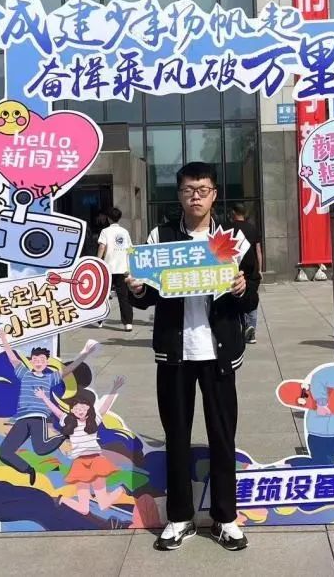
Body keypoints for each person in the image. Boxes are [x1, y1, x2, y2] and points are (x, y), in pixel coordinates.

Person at [126, 161, 259, 552]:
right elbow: (149, 295)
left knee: (222, 436)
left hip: (218, 352)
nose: (195, 196)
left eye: (203, 189)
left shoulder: (233, 239)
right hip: (175, 352)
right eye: (188, 190)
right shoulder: (162, 236)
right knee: (177, 436)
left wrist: (241, 288)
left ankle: (225, 518)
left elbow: (251, 294)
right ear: (179, 194)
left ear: (214, 194)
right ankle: (180, 517)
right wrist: (137, 288)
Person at [0, 327, 100, 484]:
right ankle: (28, 470)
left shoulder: (50, 378)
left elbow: (70, 368)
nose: (38, 362)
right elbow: (12, 358)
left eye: (42, 360)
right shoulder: (24, 373)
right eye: (36, 360)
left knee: (41, 449)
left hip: (38, 418)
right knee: (4, 452)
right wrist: (3, 338)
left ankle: (65, 433)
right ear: (31, 361)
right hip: (22, 419)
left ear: (46, 362)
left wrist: (84, 353)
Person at [35, 377, 127, 514]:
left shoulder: (94, 421)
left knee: (103, 505)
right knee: (84, 509)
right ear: (72, 410)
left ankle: (122, 489)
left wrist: (114, 389)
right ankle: (61, 499)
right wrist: (43, 397)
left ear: (89, 409)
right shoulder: (68, 422)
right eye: (77, 408)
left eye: (83, 408)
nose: (80, 410)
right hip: (80, 464)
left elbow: (105, 407)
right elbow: (56, 411)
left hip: (96, 461)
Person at [230, 204, 263, 345]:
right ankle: (251, 328)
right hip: (251, 271)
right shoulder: (253, 228)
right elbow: (258, 251)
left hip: (235, 271)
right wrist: (260, 269)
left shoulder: (228, 228)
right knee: (252, 299)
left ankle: (242, 326)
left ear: (233, 212)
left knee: (237, 298)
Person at [98, 207, 134, 331]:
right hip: (123, 268)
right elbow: (130, 249)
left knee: (102, 295)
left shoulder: (105, 231)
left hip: (108, 268)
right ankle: (128, 323)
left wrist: (98, 261)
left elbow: (102, 247)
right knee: (124, 297)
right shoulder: (124, 232)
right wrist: (130, 263)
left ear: (108, 218)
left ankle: (100, 320)